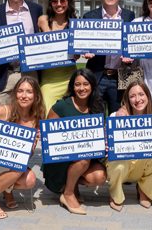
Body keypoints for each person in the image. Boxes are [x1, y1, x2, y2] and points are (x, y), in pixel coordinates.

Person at [0, 76, 45, 219]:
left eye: (29, 92)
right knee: (17, 165)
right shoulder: (2, 112)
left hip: (10, 165)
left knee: (30, 179)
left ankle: (6, 189)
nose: (24, 96)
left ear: (36, 96)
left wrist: (30, 144)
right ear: (14, 94)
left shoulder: (36, 120)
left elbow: (26, 157)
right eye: (20, 91)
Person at [43, 68, 107, 215]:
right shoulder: (62, 105)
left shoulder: (97, 107)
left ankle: (69, 184)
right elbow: (48, 135)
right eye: (77, 84)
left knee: (99, 177)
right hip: (60, 160)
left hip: (85, 159)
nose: (82, 88)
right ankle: (68, 194)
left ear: (92, 85)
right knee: (83, 157)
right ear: (72, 86)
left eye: (85, 84)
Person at [104, 80, 152, 211]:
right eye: (132, 96)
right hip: (123, 165)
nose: (137, 99)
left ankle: (145, 190)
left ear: (148, 97)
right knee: (118, 162)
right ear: (127, 99)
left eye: (141, 94)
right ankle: (115, 194)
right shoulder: (116, 117)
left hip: (142, 163)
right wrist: (106, 145)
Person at [0, 0, 43, 109]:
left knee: (30, 115)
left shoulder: (36, 9)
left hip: (29, 72)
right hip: (3, 75)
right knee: (0, 118)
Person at [83, 0, 135, 114]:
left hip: (121, 76)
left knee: (119, 118)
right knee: (95, 117)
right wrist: (86, 51)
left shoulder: (129, 16)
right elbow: (84, 43)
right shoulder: (89, 17)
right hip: (97, 75)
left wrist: (132, 57)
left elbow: (134, 42)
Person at [38, 0, 78, 113]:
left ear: (68, 3)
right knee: (46, 111)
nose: (59, 4)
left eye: (63, 1)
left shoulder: (75, 23)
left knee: (68, 112)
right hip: (48, 77)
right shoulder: (43, 20)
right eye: (55, 2)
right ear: (50, 4)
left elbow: (77, 55)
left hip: (68, 75)